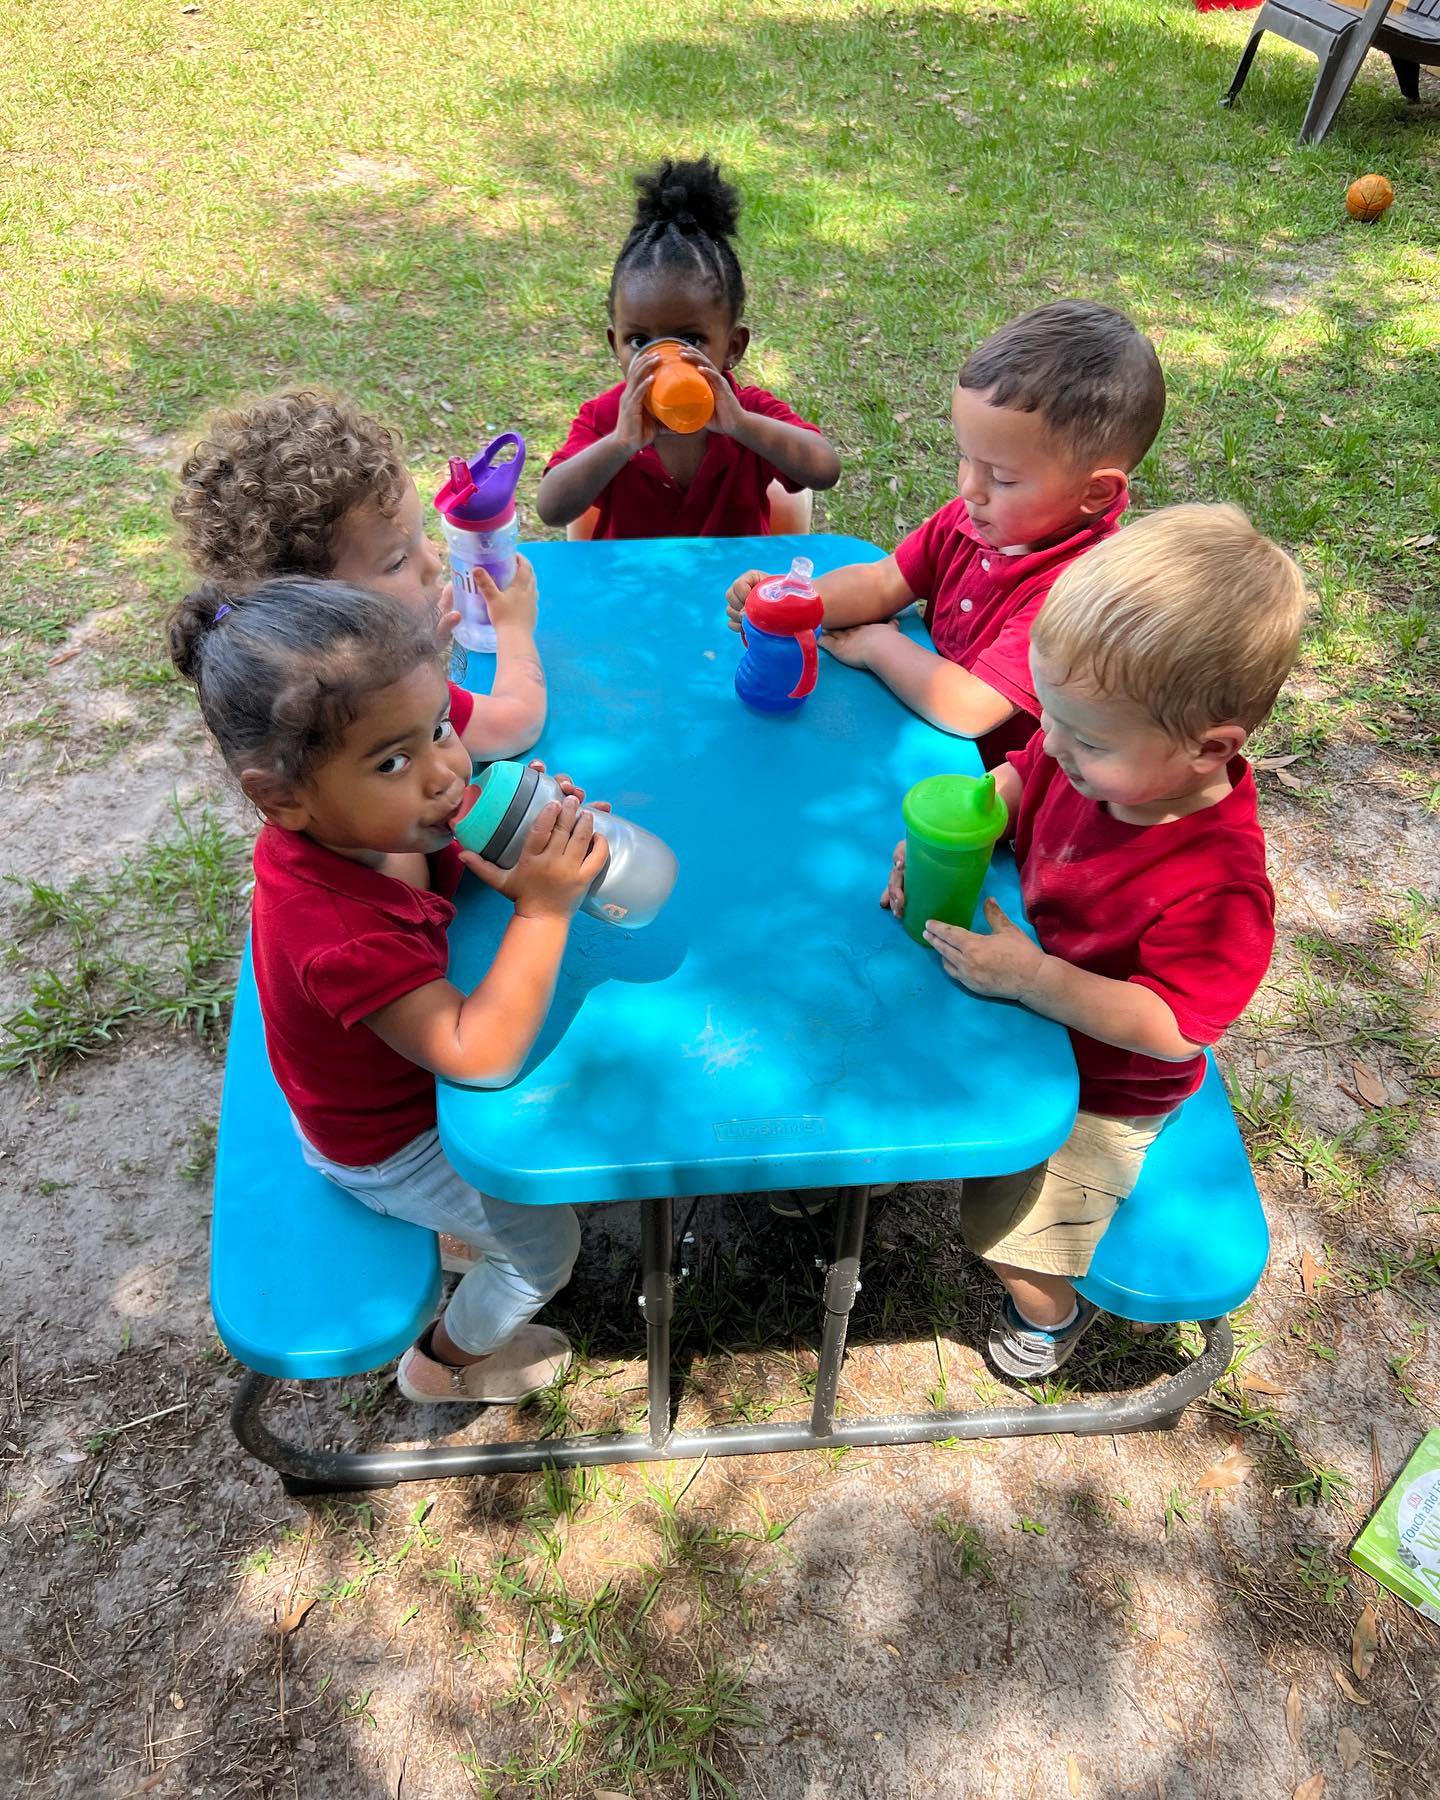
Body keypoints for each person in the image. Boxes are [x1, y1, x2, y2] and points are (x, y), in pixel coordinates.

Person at [884, 505, 1308, 1377]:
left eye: (1088, 739)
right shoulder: (1091, 753)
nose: (1056, 745)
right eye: (1056, 719)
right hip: (1027, 1001)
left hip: (1108, 1084)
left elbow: (1177, 1027)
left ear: (1209, 748)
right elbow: (1022, 769)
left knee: (1003, 1232)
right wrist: (970, 826)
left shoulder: (1220, 886)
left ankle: (1050, 1315)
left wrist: (1039, 981)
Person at [169, 575, 608, 1403]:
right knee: (549, 1245)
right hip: (385, 1144)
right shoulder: (337, 930)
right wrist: (545, 909)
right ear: (282, 798)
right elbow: (477, 1054)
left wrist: (511, 844)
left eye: (440, 726)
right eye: (394, 760)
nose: (447, 772)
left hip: (398, 1085)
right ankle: (442, 1367)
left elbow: (438, 875)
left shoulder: (368, 829)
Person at [727, 300, 1165, 766]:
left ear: (1095, 493)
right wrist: (795, 603)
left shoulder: (1078, 590)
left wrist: (879, 645)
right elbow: (883, 582)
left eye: (1003, 477)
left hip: (992, 797)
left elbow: (974, 708)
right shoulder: (976, 517)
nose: (969, 488)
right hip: (920, 745)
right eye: (965, 458)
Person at [173, 391, 547, 762]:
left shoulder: (282, 679)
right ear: (318, 608)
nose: (434, 561)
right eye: (398, 561)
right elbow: (513, 725)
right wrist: (513, 628)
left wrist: (419, 648)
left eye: (423, 535)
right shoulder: (375, 693)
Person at [536, 155, 840, 539]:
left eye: (690, 339)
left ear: (732, 346)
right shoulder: (607, 419)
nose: (665, 357)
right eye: (639, 341)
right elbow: (551, 508)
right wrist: (619, 444)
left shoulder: (746, 411)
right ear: (615, 346)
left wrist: (743, 427)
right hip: (633, 591)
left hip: (736, 594)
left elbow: (825, 470)